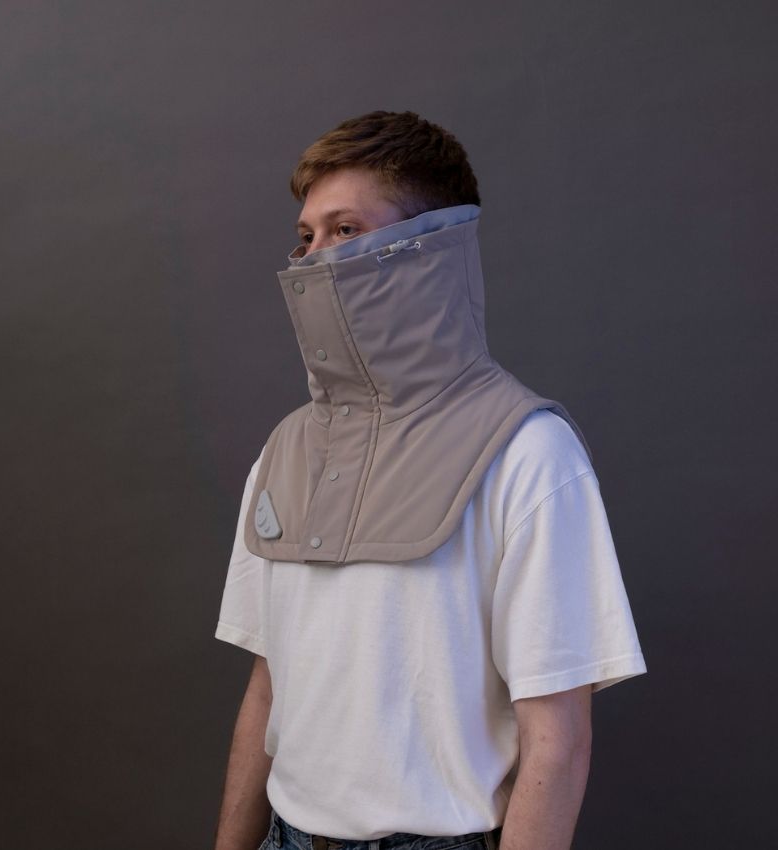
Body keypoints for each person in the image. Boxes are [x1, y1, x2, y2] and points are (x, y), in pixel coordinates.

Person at [212, 111, 646, 850]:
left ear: (432, 245)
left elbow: (558, 742)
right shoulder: (283, 452)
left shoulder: (527, 452)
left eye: (346, 229)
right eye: (307, 236)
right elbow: (267, 688)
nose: (314, 257)